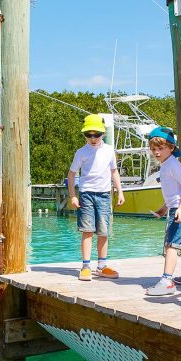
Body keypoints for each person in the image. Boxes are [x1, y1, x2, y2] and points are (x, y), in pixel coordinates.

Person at [67, 114, 125, 281]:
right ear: (85, 135)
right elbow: (72, 174)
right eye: (89, 135)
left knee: (104, 231)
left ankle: (101, 265)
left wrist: (120, 191)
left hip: (105, 195)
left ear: (103, 134)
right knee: (87, 231)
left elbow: (114, 172)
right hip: (86, 194)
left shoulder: (109, 151)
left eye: (96, 135)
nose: (93, 138)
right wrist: (73, 196)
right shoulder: (81, 152)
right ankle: (86, 266)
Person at [144, 127, 181, 296]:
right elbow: (174, 193)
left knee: (170, 245)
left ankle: (167, 281)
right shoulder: (165, 165)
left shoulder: (173, 165)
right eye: (154, 149)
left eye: (160, 148)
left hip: (180, 209)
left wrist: (180, 209)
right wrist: (163, 208)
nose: (156, 152)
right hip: (176, 207)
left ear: (171, 148)